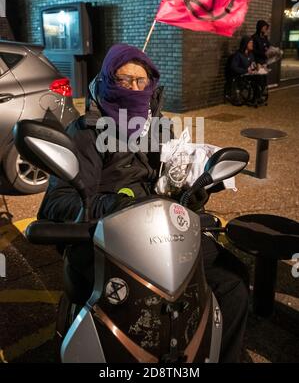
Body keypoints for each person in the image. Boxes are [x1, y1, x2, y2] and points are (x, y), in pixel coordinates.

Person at [38, 43, 249, 363]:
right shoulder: (85, 132)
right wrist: (114, 207)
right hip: (105, 237)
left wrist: (192, 189)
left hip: (162, 232)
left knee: (231, 278)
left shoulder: (158, 128)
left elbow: (165, 182)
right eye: (124, 80)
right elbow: (57, 202)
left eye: (142, 82)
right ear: (108, 80)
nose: (134, 89)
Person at [228, 36, 266, 105]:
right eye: (250, 43)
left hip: (249, 74)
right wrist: (245, 70)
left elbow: (253, 64)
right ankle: (256, 97)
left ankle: (258, 96)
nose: (252, 45)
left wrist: (258, 66)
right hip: (241, 76)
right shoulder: (238, 55)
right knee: (256, 79)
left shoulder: (250, 54)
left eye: (252, 43)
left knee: (261, 77)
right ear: (245, 44)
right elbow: (233, 67)